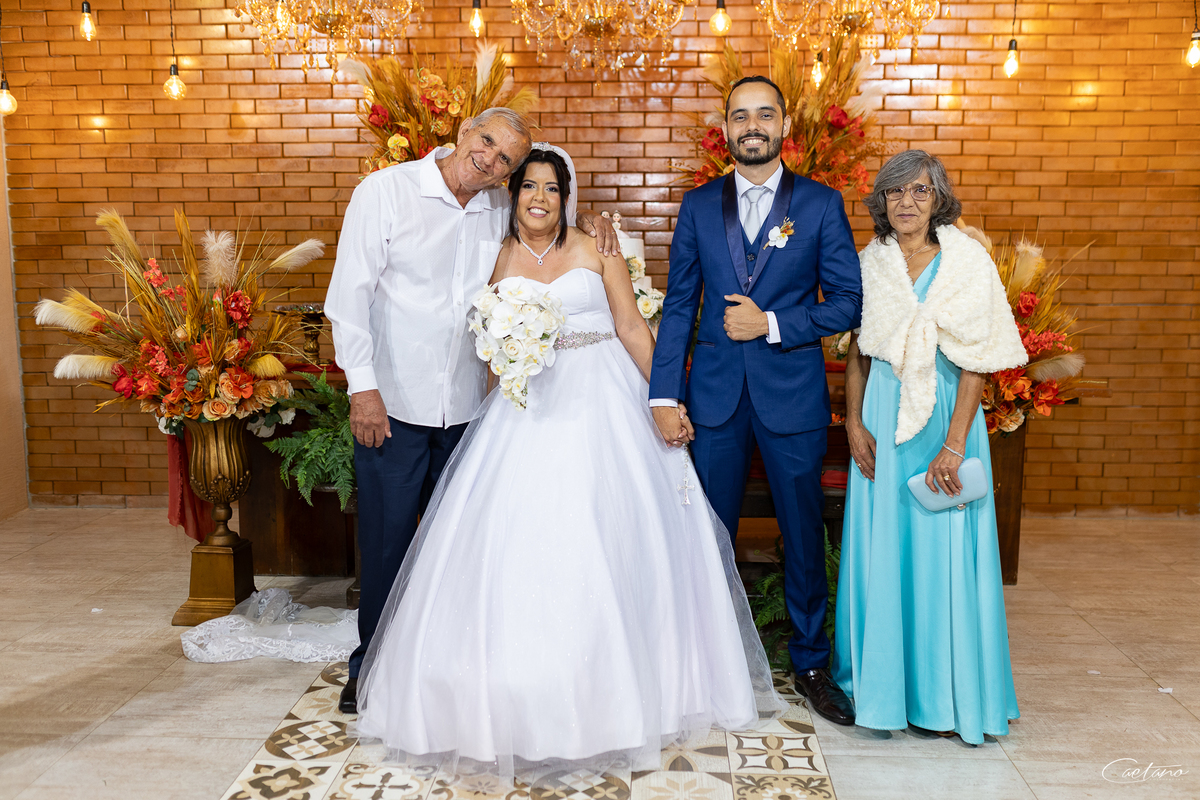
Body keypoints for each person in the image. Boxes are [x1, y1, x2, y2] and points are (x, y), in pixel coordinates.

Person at [353, 145, 785, 779]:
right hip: (525, 408)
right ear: (513, 194)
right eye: (529, 186)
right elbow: (479, 339)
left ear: (567, 197)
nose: (540, 198)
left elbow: (632, 328)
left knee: (608, 531)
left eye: (552, 189)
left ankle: (623, 689)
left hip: (604, 401)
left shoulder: (597, 247)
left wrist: (668, 398)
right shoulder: (495, 255)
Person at [325, 110, 619, 715]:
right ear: (463, 132)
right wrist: (363, 389)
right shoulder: (385, 192)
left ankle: (442, 670)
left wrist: (591, 220)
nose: (490, 160)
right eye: (486, 142)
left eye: (506, 158)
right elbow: (348, 299)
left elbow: (549, 213)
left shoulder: (497, 206)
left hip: (467, 411)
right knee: (386, 546)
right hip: (394, 406)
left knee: (455, 550)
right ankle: (371, 666)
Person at [648, 76, 862, 726]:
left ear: (783, 125)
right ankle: (705, 660)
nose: (752, 126)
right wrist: (664, 393)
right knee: (708, 534)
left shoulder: (820, 205)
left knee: (802, 536)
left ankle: (811, 663)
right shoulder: (698, 206)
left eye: (764, 114)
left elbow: (847, 303)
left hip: (791, 398)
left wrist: (769, 323)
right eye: (740, 116)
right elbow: (680, 305)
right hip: (713, 400)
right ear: (726, 128)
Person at [832, 150, 1026, 744]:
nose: (907, 202)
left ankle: (945, 696)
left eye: (919, 190)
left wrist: (954, 445)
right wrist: (853, 423)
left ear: (938, 198)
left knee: (943, 548)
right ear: (881, 202)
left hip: (946, 419)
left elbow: (978, 361)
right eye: (895, 192)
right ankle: (882, 686)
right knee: (885, 547)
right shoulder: (871, 262)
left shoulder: (967, 262)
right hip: (882, 420)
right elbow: (859, 349)